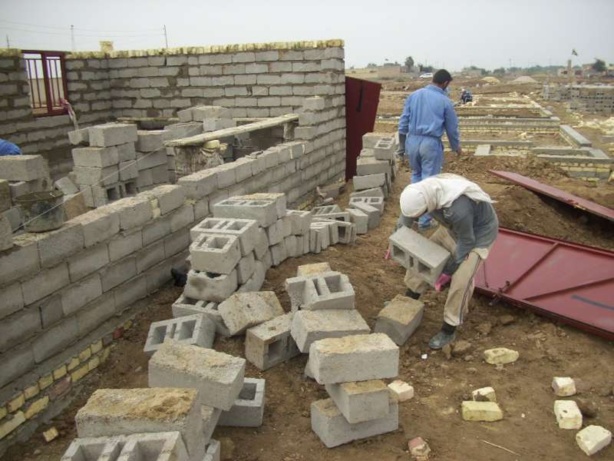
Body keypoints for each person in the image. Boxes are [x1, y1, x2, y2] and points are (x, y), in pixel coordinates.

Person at [397, 173, 499, 349]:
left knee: (461, 281)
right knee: (421, 258)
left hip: (476, 238)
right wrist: (396, 241)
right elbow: (406, 218)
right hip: (450, 229)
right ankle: (410, 300)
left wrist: (448, 271)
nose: (418, 217)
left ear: (427, 205)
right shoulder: (422, 192)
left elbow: (467, 241)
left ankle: (449, 328)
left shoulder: (457, 208)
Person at [397, 69, 463, 231]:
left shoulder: (414, 95)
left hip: (413, 141)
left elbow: (403, 122)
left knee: (416, 178)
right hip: (430, 143)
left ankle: (411, 214)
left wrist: (402, 146)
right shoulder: (444, 101)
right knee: (429, 183)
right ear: (445, 83)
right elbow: (451, 128)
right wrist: (456, 147)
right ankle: (425, 221)